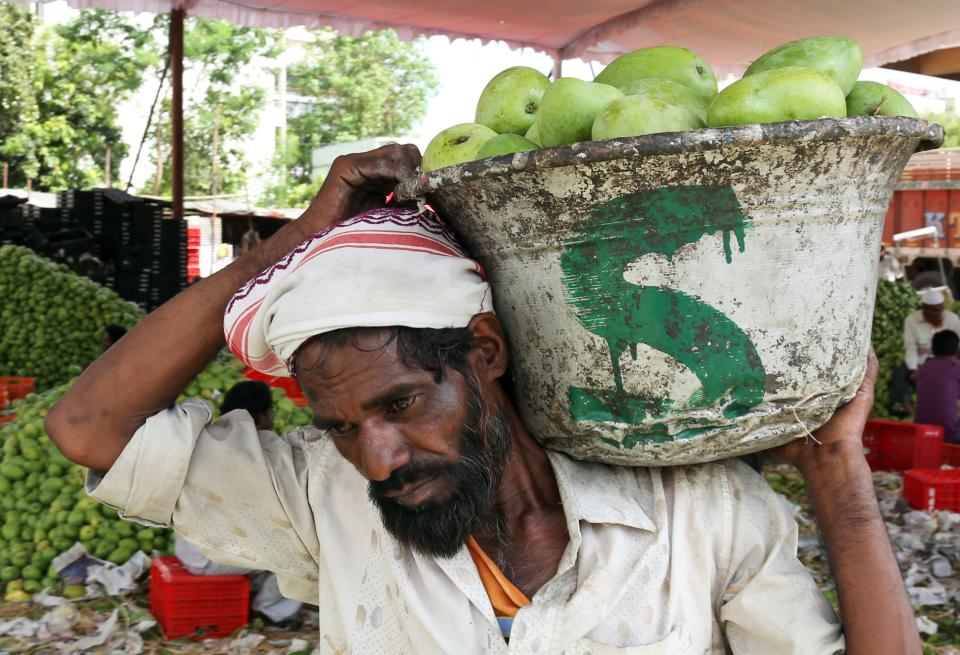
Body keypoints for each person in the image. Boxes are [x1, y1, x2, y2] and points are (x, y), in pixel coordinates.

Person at [45, 145, 920, 654]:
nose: (377, 459)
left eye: (401, 405)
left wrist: (839, 472)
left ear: (484, 353)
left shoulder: (699, 510)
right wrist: (288, 247)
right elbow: (87, 426)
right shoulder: (327, 501)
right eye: (340, 427)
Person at [173, 381, 302, 626]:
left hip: (190, 551)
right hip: (212, 558)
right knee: (302, 549)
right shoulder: (265, 449)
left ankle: (259, 594)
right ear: (263, 416)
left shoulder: (206, 440)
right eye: (271, 409)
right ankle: (273, 614)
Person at [915, 330, 960, 444]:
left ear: (933, 349)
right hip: (950, 433)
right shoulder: (956, 367)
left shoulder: (924, 368)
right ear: (956, 350)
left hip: (921, 431)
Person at [904, 288, 960, 379]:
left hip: (948, 363)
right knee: (899, 376)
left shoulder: (953, 319)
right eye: (933, 310)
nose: (937, 313)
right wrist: (913, 369)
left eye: (940, 310)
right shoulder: (911, 320)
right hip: (922, 363)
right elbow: (911, 347)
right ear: (924, 307)